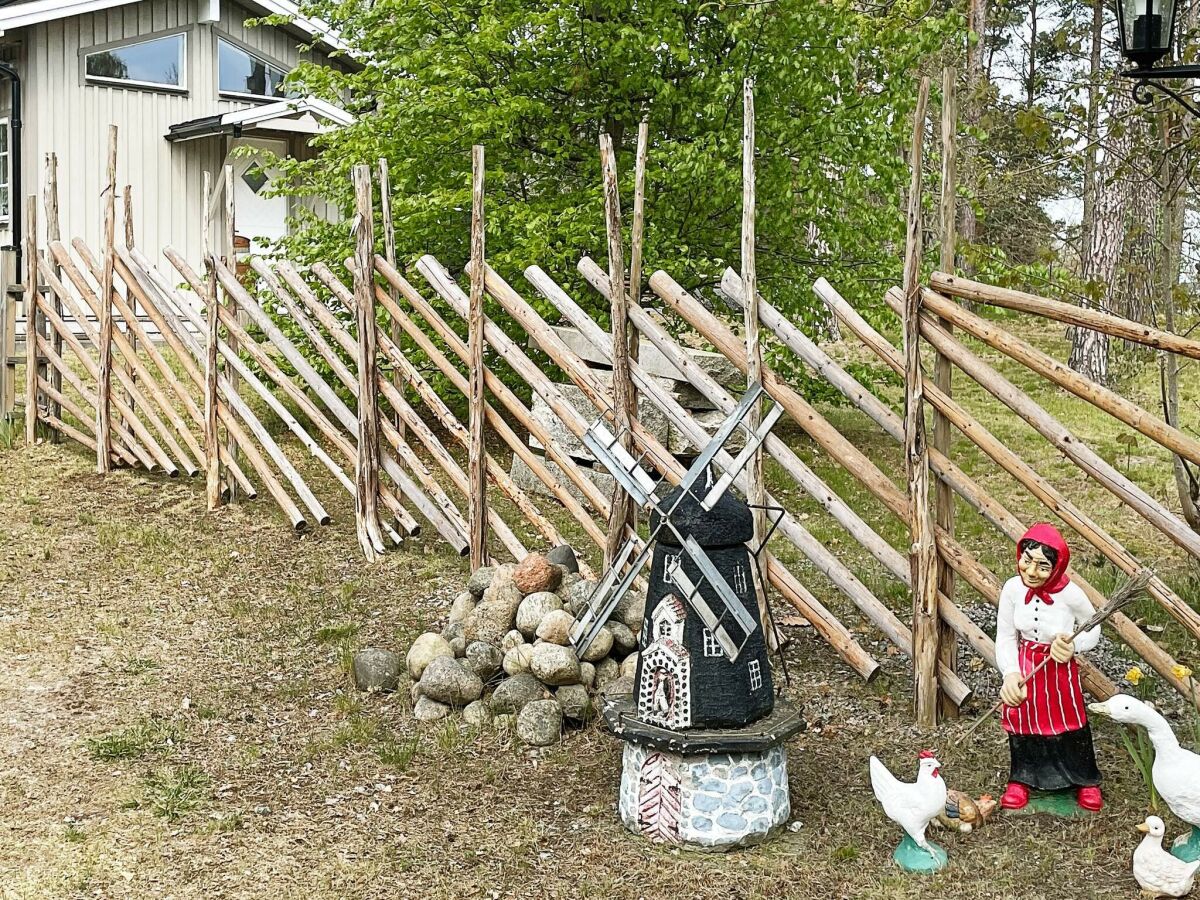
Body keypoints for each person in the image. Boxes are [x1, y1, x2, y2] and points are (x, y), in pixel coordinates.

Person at [995, 523, 1103, 812]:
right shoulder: (1012, 590)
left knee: (1068, 720)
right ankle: (1023, 776)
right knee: (1023, 720)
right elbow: (1005, 636)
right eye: (1027, 561)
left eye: (1042, 566)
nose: (1031, 572)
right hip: (1027, 663)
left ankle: (1084, 778)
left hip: (1058, 670)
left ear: (1057, 567)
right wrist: (1011, 673)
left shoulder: (1071, 595)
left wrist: (1072, 646)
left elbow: (1093, 629)